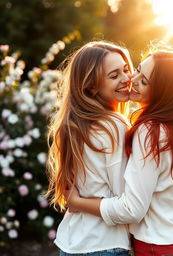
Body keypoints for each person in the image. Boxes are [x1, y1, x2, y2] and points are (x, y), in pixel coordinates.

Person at [65, 45, 173, 256]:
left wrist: (77, 202)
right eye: (137, 70)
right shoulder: (171, 125)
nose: (131, 80)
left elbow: (131, 207)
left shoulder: (149, 130)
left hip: (159, 247)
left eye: (143, 81)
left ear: (162, 93)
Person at [45, 41, 134, 255]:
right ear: (91, 86)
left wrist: (77, 202)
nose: (126, 79)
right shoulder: (115, 125)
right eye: (114, 76)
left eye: (126, 69)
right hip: (104, 243)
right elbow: (126, 200)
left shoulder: (73, 125)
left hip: (70, 241)